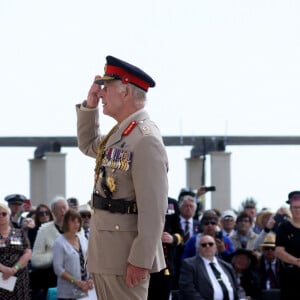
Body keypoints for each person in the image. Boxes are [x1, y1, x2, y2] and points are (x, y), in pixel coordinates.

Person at [76, 55, 168, 300]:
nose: (102, 93)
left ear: (125, 92)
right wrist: (90, 105)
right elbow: (88, 145)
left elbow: (154, 209)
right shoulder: (123, 133)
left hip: (126, 258)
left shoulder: (144, 138)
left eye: (106, 87)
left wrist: (140, 259)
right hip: (107, 255)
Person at [179, 235, 241, 300]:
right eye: (204, 245)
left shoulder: (227, 266)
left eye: (211, 244)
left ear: (216, 247)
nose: (207, 246)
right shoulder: (189, 265)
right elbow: (188, 290)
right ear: (198, 248)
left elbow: (237, 288)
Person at [31, 196, 69, 300]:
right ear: (53, 212)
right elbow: (35, 259)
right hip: (51, 281)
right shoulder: (44, 230)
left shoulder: (77, 229)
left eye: (65, 207)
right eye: (59, 208)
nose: (63, 211)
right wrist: (55, 255)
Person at [53, 209, 94, 299]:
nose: (76, 224)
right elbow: (58, 269)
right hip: (67, 293)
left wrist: (91, 278)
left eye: (78, 222)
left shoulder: (83, 239)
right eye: (73, 221)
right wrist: (76, 282)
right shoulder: (59, 243)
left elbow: (90, 260)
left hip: (86, 290)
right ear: (66, 223)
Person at [148, 197, 183, 300]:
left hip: (166, 265)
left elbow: (180, 233)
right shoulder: (140, 199)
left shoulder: (172, 203)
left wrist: (173, 239)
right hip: (145, 262)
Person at [0, 203, 32, 299]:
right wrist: (5, 269)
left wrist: (14, 269)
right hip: (1, 277)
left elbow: (28, 252)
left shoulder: (19, 232)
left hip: (20, 277)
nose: (1, 216)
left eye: (4, 214)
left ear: (9, 215)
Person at [275, 191, 300, 299]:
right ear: (290, 209)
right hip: (290, 277)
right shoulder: (284, 227)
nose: (297, 210)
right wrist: (297, 262)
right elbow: (279, 251)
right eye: (294, 207)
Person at [257, 233, 282, 300]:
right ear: (262, 250)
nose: (270, 251)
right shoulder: (255, 265)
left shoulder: (284, 265)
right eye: (267, 248)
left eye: (273, 248)